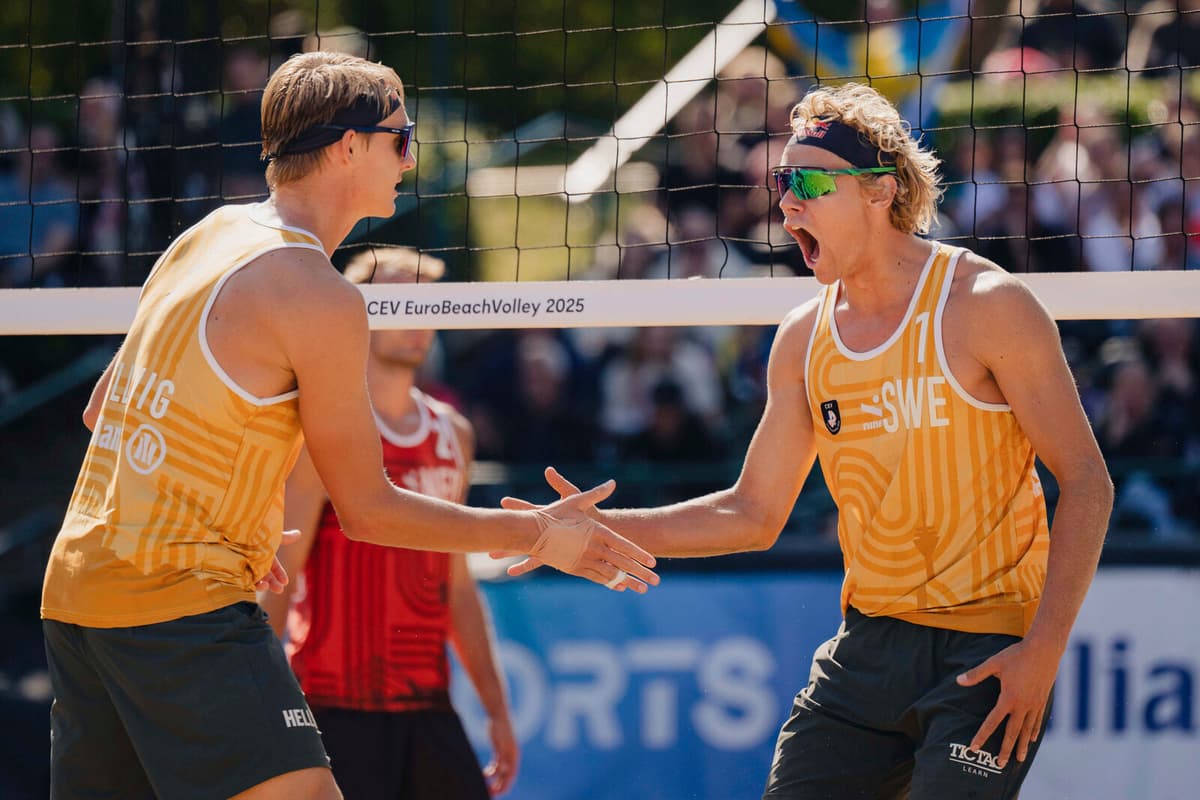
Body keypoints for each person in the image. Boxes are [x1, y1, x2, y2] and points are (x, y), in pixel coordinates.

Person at [40, 51, 657, 800]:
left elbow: (107, 406)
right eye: (402, 139)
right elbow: (368, 512)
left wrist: (237, 510)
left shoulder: (210, 233)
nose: (410, 159)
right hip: (177, 600)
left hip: (78, 588)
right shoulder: (319, 294)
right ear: (346, 147)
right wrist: (537, 534)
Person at [502, 82, 1113, 799]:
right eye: (782, 180)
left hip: (987, 651)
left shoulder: (987, 305)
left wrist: (1043, 651)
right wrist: (600, 526)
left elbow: (1087, 483)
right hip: (866, 648)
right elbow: (752, 513)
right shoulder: (802, 337)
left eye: (810, 181)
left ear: (881, 191)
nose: (787, 200)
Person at [258, 246, 518, 798]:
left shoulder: (453, 435)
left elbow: (458, 587)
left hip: (427, 704)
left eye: (428, 303)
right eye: (402, 301)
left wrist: (496, 708)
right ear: (358, 313)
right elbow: (282, 565)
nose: (419, 315)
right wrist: (260, 700)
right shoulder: (326, 429)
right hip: (333, 705)